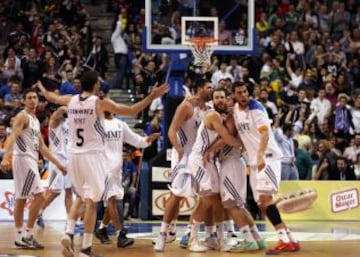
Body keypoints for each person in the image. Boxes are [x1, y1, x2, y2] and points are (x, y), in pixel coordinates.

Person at [35, 70, 168, 257]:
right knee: (91, 202)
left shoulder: (70, 100)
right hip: (93, 157)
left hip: (73, 156)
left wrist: (41, 88)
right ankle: (86, 249)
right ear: (96, 85)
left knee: (80, 197)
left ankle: (68, 232)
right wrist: (152, 96)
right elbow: (132, 111)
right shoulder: (99, 103)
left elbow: (52, 97)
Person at [229, 82, 300, 254]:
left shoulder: (256, 108)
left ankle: (283, 240)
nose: (244, 95)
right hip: (254, 162)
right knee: (261, 204)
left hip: (267, 158)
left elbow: (265, 134)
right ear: (234, 95)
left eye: (245, 91)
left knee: (266, 199)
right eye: (239, 93)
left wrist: (260, 154)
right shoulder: (235, 111)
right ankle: (290, 239)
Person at [0, 88, 66, 249]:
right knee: (40, 196)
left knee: (22, 199)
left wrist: (58, 163)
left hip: (29, 159)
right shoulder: (23, 116)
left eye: (34, 97)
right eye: (29, 97)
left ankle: (20, 236)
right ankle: (28, 234)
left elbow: (43, 148)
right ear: (24, 101)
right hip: (24, 159)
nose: (32, 100)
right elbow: (13, 136)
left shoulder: (35, 119)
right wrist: (6, 157)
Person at [153, 79, 213, 252]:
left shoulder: (209, 109)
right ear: (200, 88)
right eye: (209, 87)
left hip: (201, 157)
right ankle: (163, 235)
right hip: (184, 155)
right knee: (177, 194)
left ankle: (191, 234)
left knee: (207, 195)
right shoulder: (186, 106)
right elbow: (171, 130)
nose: (211, 90)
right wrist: (178, 149)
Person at [184, 88, 243, 252]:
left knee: (217, 199)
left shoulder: (222, 116)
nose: (219, 100)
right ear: (212, 101)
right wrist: (245, 143)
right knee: (206, 198)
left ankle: (219, 239)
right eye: (216, 97)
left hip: (209, 160)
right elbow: (226, 138)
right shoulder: (213, 115)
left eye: (222, 97)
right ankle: (192, 238)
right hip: (199, 159)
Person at [95, 111, 159, 248]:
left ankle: (101, 229)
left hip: (117, 168)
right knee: (111, 200)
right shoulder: (97, 124)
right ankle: (120, 234)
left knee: (113, 202)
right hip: (103, 168)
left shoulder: (120, 124)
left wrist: (148, 140)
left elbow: (135, 139)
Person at [36, 106, 73, 229]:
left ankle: (70, 220)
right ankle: (39, 211)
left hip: (69, 161)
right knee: (55, 192)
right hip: (57, 160)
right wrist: (71, 105)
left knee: (69, 191)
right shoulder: (54, 121)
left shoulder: (69, 123)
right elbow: (60, 110)